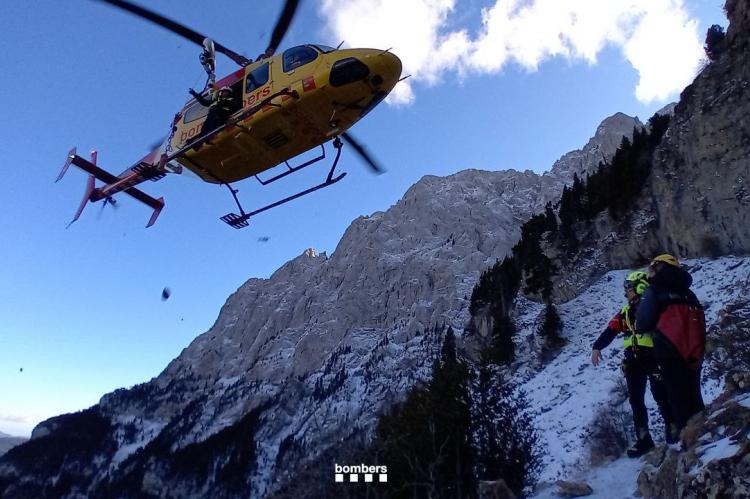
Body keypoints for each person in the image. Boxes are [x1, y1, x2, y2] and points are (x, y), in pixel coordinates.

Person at [591, 271, 675, 457]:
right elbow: (611, 330)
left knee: (661, 394)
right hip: (633, 360)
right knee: (636, 400)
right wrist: (597, 346)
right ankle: (643, 439)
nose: (626, 291)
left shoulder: (656, 307)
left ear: (640, 286)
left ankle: (673, 427)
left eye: (628, 287)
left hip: (653, 357)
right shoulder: (626, 312)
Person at [636, 254, 706, 435]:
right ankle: (706, 433)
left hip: (669, 351)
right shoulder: (688, 292)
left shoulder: (654, 290)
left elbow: (643, 323)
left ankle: (689, 443)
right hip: (694, 351)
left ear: (660, 267)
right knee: (694, 396)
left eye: (653, 267)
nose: (650, 272)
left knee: (677, 400)